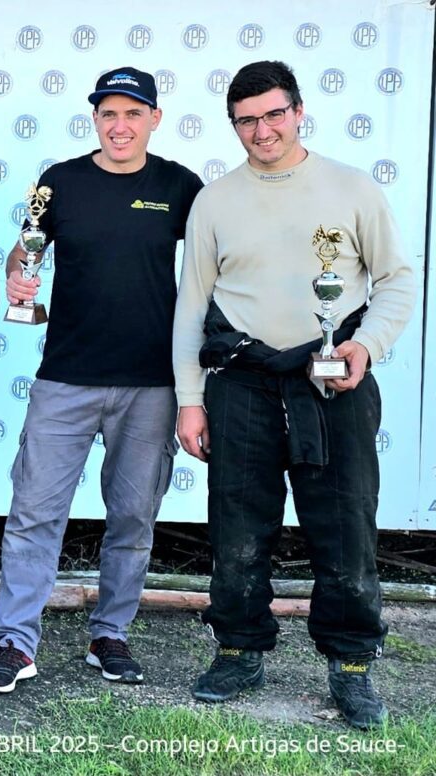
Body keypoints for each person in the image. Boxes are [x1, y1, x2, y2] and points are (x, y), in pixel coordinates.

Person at [173, 60, 415, 729]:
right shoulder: (214, 201)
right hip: (242, 381)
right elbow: (191, 305)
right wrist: (190, 398)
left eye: (274, 114)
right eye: (246, 120)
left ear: (299, 111)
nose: (263, 130)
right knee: (237, 525)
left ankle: (352, 664)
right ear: (233, 126)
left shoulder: (352, 188)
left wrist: (368, 345)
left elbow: (396, 279)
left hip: (334, 381)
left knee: (346, 526)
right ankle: (238, 648)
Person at [0, 68, 204, 694]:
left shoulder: (181, 186)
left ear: (155, 118)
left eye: (132, 113)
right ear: (95, 119)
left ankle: (111, 635)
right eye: (108, 113)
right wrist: (20, 272)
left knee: (133, 517)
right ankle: (15, 642)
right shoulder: (62, 182)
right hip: (66, 379)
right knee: (34, 514)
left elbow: (213, 268)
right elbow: (27, 248)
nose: (119, 125)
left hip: (152, 385)